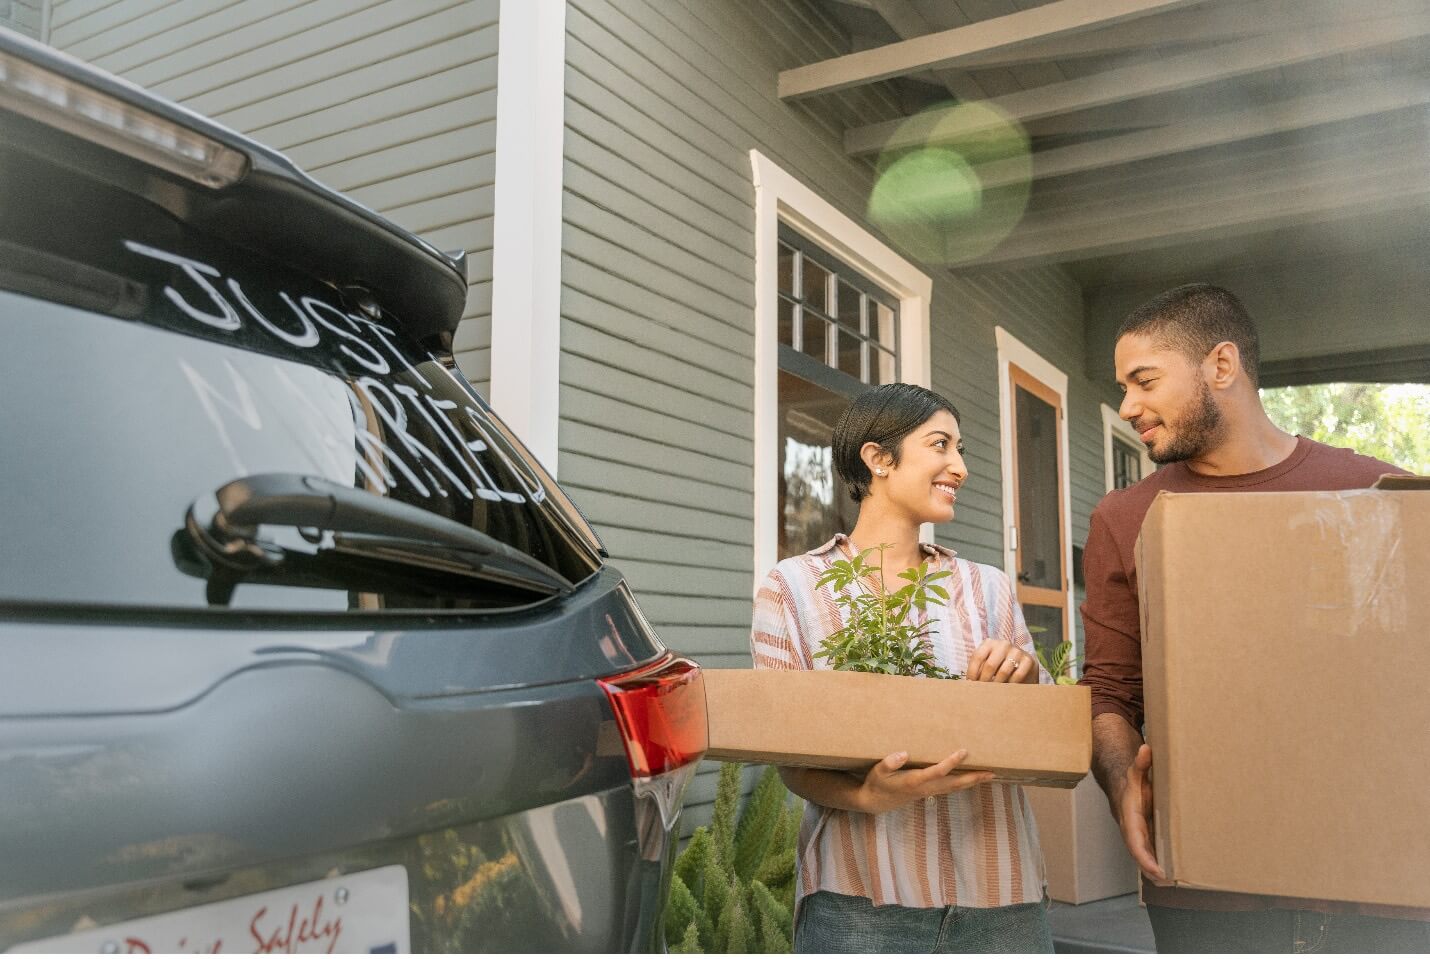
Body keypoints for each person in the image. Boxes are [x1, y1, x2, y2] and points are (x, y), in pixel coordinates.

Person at [1080, 283, 1426, 952]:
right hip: (1210, 892)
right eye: (1122, 387)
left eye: (1143, 380)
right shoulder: (1124, 519)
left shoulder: (1383, 495)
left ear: (1221, 365)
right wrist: (1123, 784)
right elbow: (1110, 694)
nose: (1127, 407)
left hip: (1377, 886)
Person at [749, 382, 1053, 954]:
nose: (958, 467)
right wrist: (868, 796)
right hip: (861, 901)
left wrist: (1026, 675)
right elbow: (788, 757)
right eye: (940, 445)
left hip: (1001, 895)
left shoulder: (986, 588)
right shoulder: (793, 589)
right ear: (878, 458)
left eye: (960, 450)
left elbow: (1046, 737)